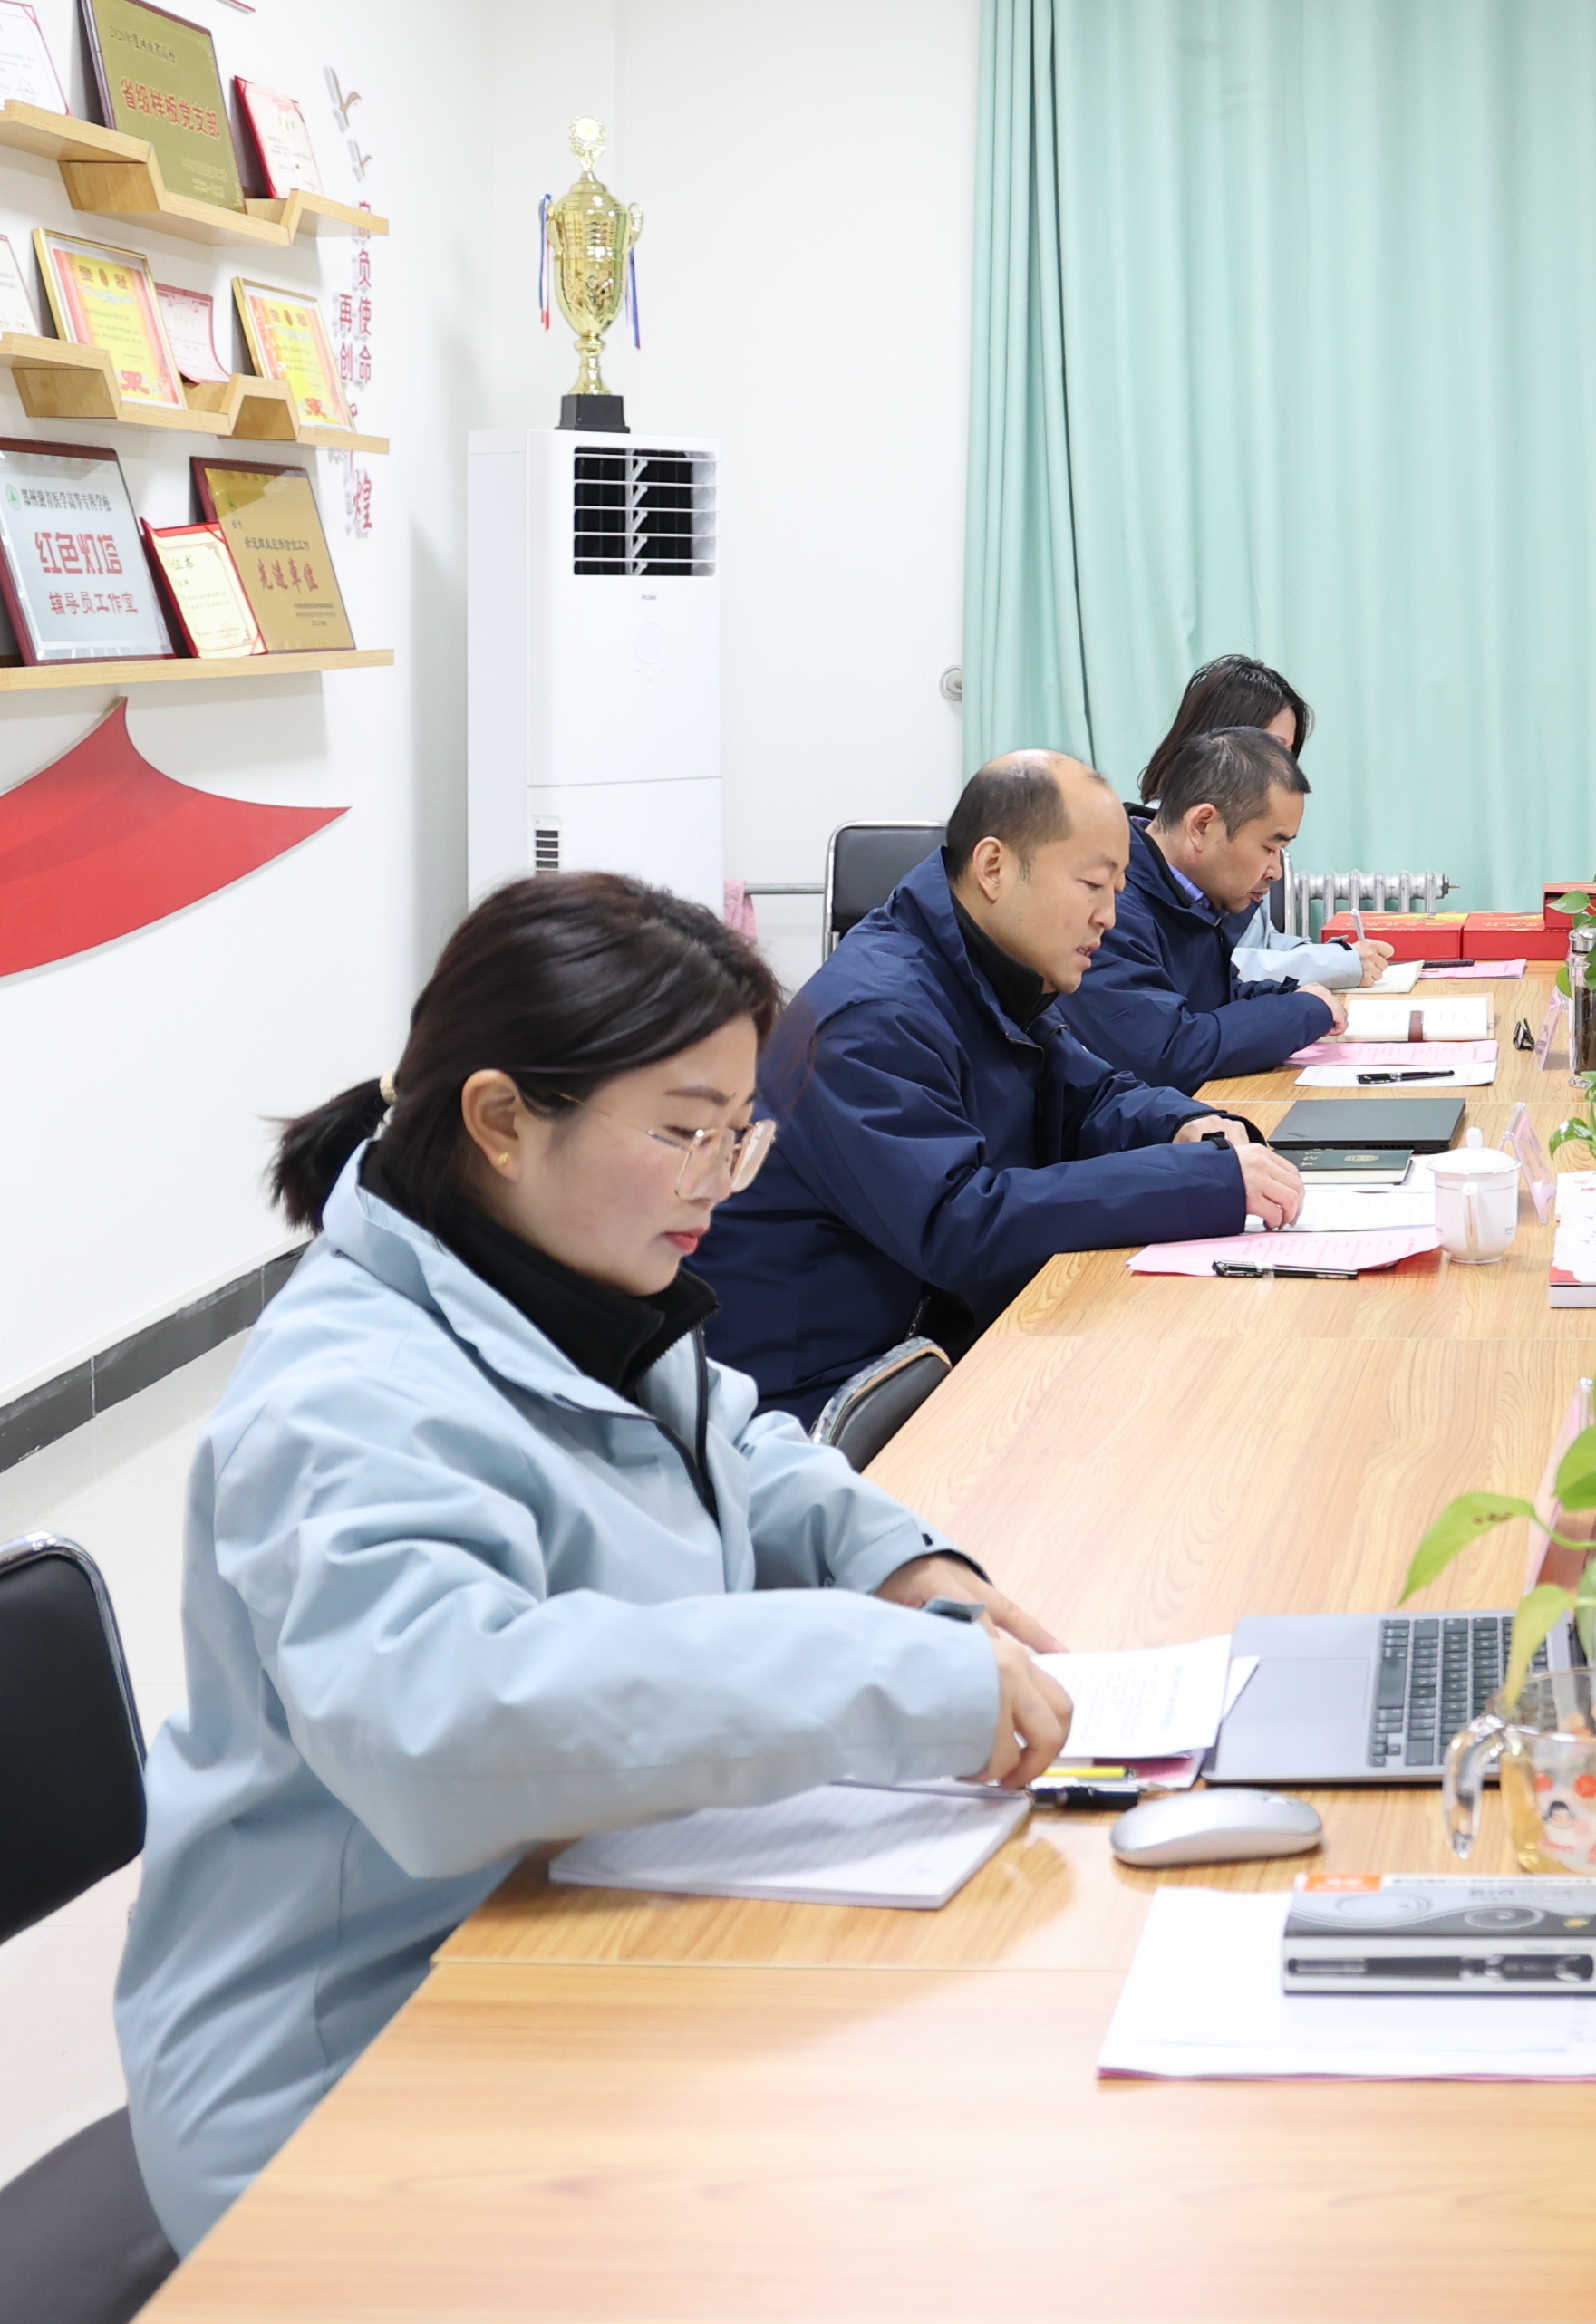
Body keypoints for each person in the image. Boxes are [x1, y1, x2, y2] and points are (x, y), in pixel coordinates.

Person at [114, 873, 1079, 2254]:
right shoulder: (345, 1401)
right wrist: (882, 1672)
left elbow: (732, 1442)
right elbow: (446, 1729)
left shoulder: (558, 1273)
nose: (717, 1184)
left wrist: (899, 1563)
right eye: (684, 1133)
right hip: (352, 2064)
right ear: (503, 1119)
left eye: (737, 1137)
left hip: (581, 1916)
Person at [706, 750, 1309, 1414]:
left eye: (1117, 890)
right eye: (1092, 885)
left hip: (939, 1343)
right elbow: (958, 1223)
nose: (1109, 916)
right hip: (830, 1395)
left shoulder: (984, 968)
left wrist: (1183, 1124)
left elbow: (1086, 1095)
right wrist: (1195, 1182)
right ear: (993, 867)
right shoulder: (873, 1015)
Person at [1069, 724, 1341, 1088]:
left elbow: (1211, 1001)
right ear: (1201, 825)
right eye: (1269, 847)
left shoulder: (1192, 896)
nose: (1275, 871)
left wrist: (1291, 998)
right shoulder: (1109, 908)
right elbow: (1164, 1053)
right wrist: (1301, 1012)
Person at [1136, 653, 1363, 992]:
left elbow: (1258, 943)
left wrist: (1328, 957)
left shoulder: (1248, 839)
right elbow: (1219, 968)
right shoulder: (1167, 848)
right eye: (1274, 747)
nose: (1283, 765)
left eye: (1289, 752)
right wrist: (1332, 966)